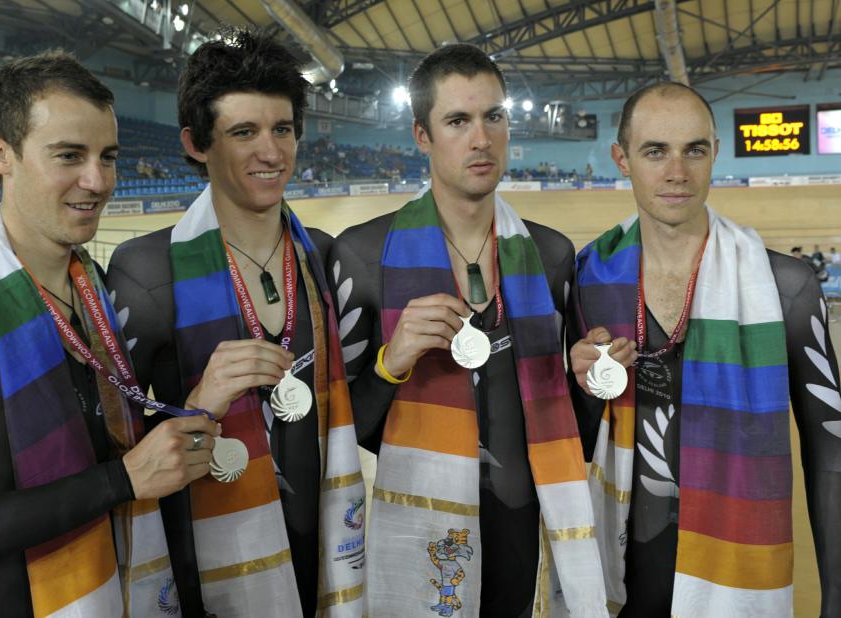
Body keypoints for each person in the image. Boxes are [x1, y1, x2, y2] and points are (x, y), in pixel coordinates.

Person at [0, 50, 220, 616]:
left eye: (107, 157)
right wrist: (120, 483)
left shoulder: (92, 288)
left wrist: (195, 408)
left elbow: (101, 440)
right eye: (68, 155)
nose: (97, 181)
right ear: (0, 154)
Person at [331, 43, 606, 617]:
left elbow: (571, 431)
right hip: (418, 525)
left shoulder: (552, 255)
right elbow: (342, 430)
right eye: (458, 120)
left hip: (519, 524)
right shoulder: (362, 255)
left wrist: (585, 383)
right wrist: (392, 360)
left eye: (493, 116)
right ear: (422, 136)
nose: (481, 138)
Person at [107, 30, 365, 617]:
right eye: (243, 132)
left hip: (324, 551)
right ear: (197, 144)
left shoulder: (323, 256)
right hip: (205, 563)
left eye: (282, 129)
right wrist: (197, 402)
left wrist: (391, 366)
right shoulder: (146, 270)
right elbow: (110, 445)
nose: (270, 152)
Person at [568, 82, 841, 617]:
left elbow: (830, 448)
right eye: (655, 151)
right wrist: (577, 385)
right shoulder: (583, 280)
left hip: (740, 567)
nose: (677, 172)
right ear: (621, 159)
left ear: (715, 151)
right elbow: (566, 439)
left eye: (694, 149)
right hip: (619, 577)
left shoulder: (785, 286)